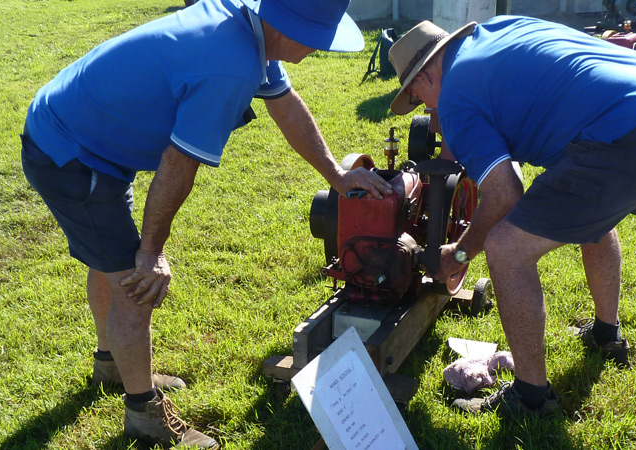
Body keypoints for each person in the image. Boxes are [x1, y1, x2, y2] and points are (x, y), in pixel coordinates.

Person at [21, 0, 392, 447]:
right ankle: (143, 413)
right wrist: (151, 252)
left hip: (87, 136)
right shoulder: (230, 67)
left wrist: (337, 175)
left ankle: (112, 365)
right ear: (289, 29)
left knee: (110, 259)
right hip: (70, 153)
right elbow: (178, 165)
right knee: (135, 284)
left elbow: (286, 105)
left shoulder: (250, 28)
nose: (318, 49)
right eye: (317, 39)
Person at [387, 18, 636, 418]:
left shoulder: (454, 95)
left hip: (633, 132)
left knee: (506, 248)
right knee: (593, 211)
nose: (424, 106)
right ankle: (606, 335)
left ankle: (531, 399)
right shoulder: (495, 32)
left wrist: (459, 255)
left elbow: (505, 194)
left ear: (424, 75)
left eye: (416, 95)